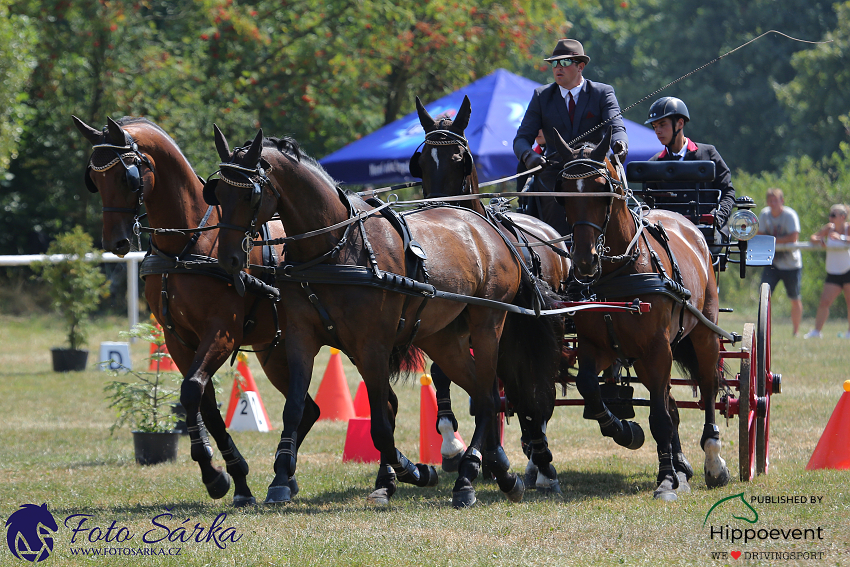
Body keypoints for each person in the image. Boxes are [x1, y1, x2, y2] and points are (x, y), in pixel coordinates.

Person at [513, 38, 628, 235]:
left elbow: (617, 127)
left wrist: (620, 144)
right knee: (553, 212)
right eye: (554, 63)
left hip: (594, 170)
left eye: (565, 62)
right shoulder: (541, 96)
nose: (558, 67)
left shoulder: (602, 93)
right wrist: (529, 156)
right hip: (555, 172)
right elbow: (521, 139)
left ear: (580, 66)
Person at [644, 97, 736, 240]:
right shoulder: (654, 163)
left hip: (707, 232)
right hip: (669, 234)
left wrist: (717, 217)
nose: (658, 131)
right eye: (655, 126)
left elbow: (727, 191)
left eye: (662, 125)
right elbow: (649, 204)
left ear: (680, 123)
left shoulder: (708, 153)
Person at [758, 188, 804, 336]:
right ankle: (763, 330)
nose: (772, 203)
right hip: (772, 262)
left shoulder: (789, 215)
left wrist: (771, 240)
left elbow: (793, 237)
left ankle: (796, 331)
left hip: (791, 264)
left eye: (775, 200)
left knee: (794, 298)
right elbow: (759, 234)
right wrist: (776, 242)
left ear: (782, 201)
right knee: (764, 295)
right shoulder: (765, 214)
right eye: (770, 200)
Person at [804, 204, 850, 339]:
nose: (830, 217)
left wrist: (840, 238)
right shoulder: (829, 228)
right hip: (833, 271)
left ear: (843, 217)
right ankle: (817, 331)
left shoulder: (848, 228)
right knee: (824, 302)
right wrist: (821, 240)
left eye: (833, 215)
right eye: (830, 214)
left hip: (848, 270)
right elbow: (813, 237)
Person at [516, 129, 546, 216]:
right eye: (537, 128)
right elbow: (520, 197)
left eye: (542, 128)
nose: (538, 132)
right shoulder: (525, 161)